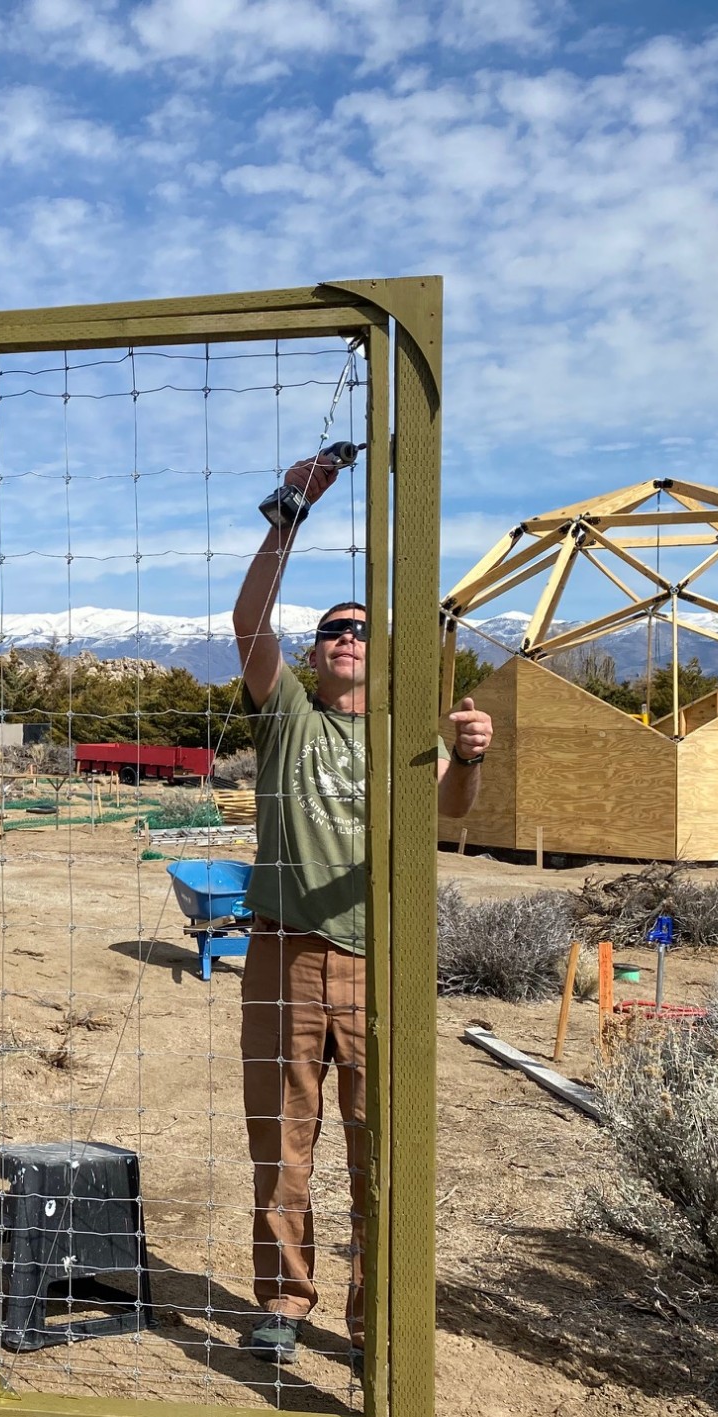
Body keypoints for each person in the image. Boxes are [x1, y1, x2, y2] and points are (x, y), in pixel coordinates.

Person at [228, 445, 491, 1367]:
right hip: (286, 953)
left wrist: (465, 755)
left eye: (360, 630)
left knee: (379, 1149)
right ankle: (284, 1301)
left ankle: (375, 1318)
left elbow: (447, 819)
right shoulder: (288, 715)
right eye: (332, 628)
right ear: (310, 654)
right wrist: (288, 513)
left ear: (379, 656)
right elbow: (245, 617)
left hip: (382, 958)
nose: (346, 636)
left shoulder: (402, 734)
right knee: (282, 1139)